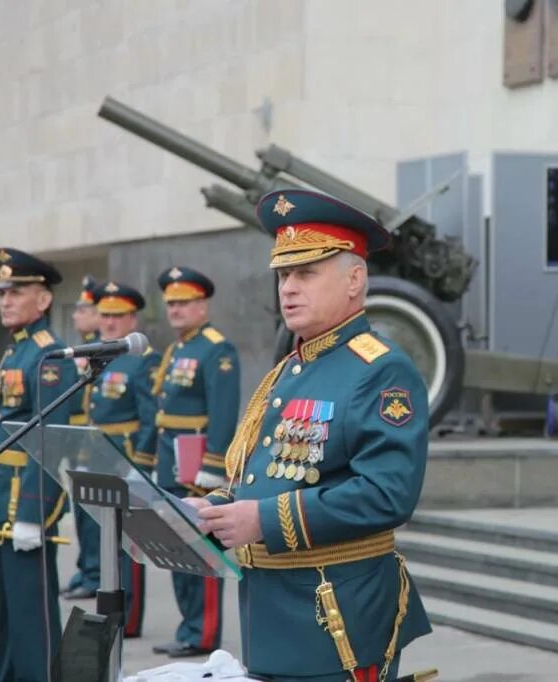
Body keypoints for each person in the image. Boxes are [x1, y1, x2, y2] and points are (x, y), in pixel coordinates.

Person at [188, 189, 433, 682]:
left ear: (355, 280)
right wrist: (216, 507)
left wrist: (260, 520)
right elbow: (269, 472)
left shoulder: (380, 370)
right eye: (283, 274)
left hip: (337, 620)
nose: (288, 288)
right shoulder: (291, 368)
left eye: (306, 273)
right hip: (272, 613)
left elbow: (388, 494)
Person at [0, 247, 76, 681]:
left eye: (16, 291)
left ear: (44, 299)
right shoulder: (16, 351)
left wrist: (35, 514)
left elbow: (52, 441)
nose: (5, 299)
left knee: (31, 622)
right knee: (4, 619)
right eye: (1, 292)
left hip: (24, 505)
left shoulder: (50, 356)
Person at [150, 266, 241, 657]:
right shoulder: (177, 349)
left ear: (202, 305)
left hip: (199, 465)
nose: (175, 310)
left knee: (201, 548)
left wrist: (213, 466)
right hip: (171, 461)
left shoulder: (216, 348)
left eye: (183, 303)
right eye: (170, 304)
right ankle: (188, 627)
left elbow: (223, 412)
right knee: (176, 548)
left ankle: (202, 633)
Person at [84, 280, 161, 638]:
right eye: (105, 315)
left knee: (129, 542)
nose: (110, 322)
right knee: (105, 538)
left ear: (133, 318)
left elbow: (150, 415)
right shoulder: (101, 357)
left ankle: (128, 617)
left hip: (127, 455)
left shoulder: (142, 360)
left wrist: (141, 463)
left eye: (118, 316)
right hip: (101, 455)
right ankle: (110, 607)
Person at [63, 274, 104, 600]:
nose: (76, 315)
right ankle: (85, 568)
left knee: (94, 516)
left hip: (97, 443)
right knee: (81, 512)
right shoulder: (80, 350)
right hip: (79, 440)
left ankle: (94, 572)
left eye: (82, 309)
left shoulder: (102, 350)